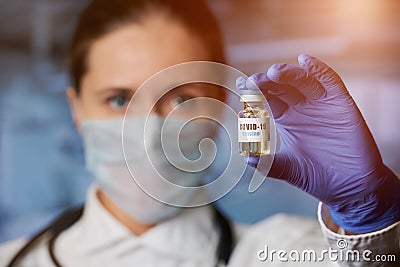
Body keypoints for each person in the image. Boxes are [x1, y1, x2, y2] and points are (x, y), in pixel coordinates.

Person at [1, 0, 399, 266]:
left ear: (220, 104)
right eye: (119, 100)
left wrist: (367, 214)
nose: (148, 129)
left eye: (180, 99)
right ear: (75, 108)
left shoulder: (289, 252)